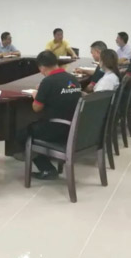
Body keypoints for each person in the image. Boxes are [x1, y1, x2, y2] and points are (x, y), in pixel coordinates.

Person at [17, 50, 82, 180]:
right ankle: (39, 154)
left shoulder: (48, 82)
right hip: (74, 127)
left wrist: (36, 94)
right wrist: (43, 90)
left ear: (42, 67)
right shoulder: (72, 78)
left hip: (57, 129)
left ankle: (46, 168)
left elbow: (36, 108)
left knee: (21, 134)